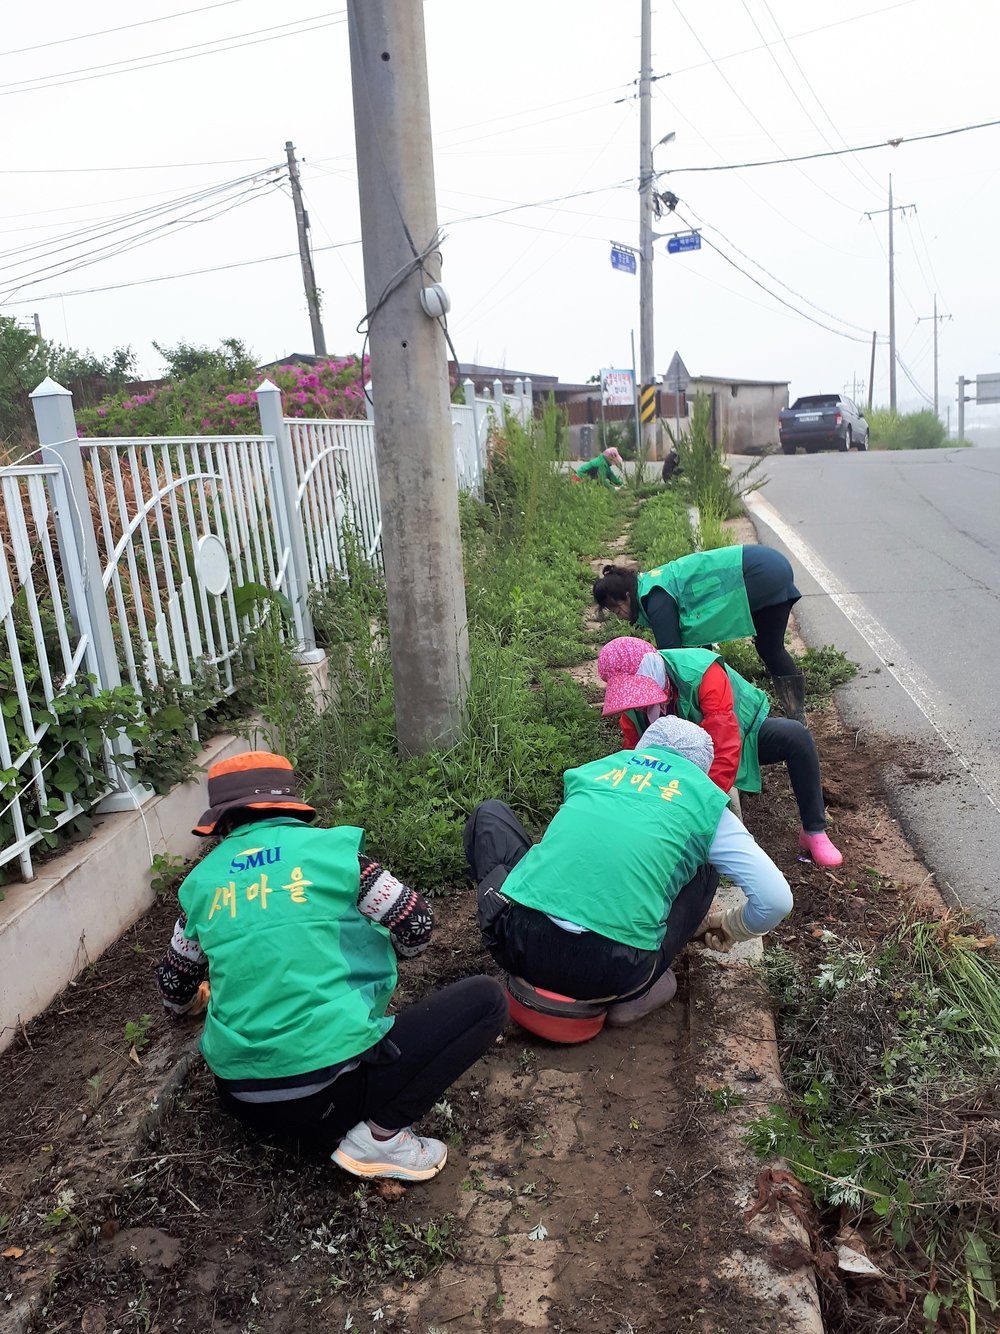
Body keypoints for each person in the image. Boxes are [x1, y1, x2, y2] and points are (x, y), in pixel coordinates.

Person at [155, 751, 507, 1183]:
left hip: (243, 1099)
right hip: (331, 1089)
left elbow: (173, 989)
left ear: (222, 820)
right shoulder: (338, 857)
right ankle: (380, 1137)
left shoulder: (202, 884)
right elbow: (417, 926)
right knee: (488, 1001)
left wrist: (197, 1000)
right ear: (289, 804)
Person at [464, 717, 792, 1027]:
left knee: (490, 815)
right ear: (699, 772)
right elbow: (776, 899)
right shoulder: (704, 802)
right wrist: (732, 926)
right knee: (704, 865)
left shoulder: (593, 772)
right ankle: (639, 988)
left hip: (519, 944)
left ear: (642, 749)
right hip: (612, 970)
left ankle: (529, 939)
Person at [598, 636, 843, 868]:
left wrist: (702, 812)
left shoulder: (702, 672)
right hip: (679, 756)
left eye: (640, 691)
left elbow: (723, 744)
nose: (638, 704)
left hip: (737, 734)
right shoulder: (631, 706)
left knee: (796, 736)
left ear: (653, 669)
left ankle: (813, 830)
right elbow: (635, 757)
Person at [592, 543, 807, 721]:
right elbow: (698, 647)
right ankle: (797, 718)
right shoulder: (654, 583)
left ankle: (738, 715)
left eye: (617, 608)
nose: (618, 615)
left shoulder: (656, 598)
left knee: (704, 668)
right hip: (772, 564)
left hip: (757, 572)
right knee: (770, 648)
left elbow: (673, 660)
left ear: (629, 595)